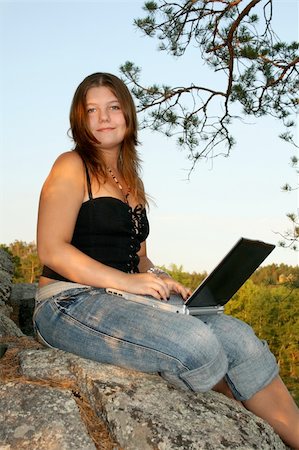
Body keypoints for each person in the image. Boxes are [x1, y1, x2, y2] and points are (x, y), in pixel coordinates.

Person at [34, 72, 299, 448]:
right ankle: (237, 413)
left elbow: (139, 258)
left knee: (239, 337)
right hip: (69, 302)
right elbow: (52, 250)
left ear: (127, 114)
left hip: (121, 299)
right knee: (197, 343)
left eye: (112, 107)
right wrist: (129, 283)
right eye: (91, 110)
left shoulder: (130, 181)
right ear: (79, 119)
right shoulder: (71, 165)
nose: (103, 117)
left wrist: (158, 277)